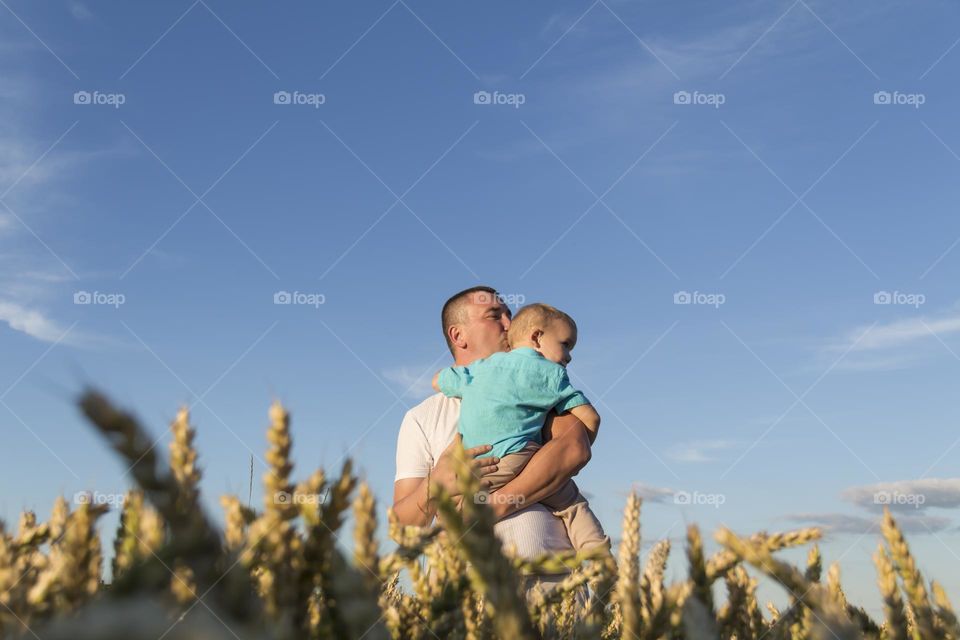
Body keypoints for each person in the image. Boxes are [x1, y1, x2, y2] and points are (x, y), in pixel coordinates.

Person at [393, 286, 595, 594]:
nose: (508, 324)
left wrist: (496, 506)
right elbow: (403, 526)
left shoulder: (535, 388)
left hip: (551, 587)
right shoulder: (422, 418)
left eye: (510, 315)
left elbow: (574, 449)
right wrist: (436, 485)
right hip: (465, 593)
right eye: (494, 316)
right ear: (459, 336)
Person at [432, 302, 609, 553]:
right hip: (519, 460)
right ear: (537, 337)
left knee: (455, 506)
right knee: (572, 505)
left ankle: (448, 548)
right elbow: (592, 419)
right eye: (566, 344)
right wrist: (585, 444)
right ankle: (598, 559)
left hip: (476, 468)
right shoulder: (551, 374)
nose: (569, 356)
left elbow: (438, 380)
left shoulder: (480, 369)